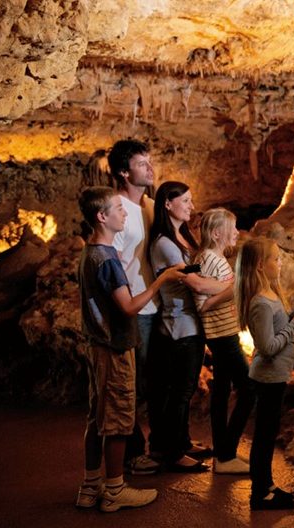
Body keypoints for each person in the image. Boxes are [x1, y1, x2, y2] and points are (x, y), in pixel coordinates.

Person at [75, 186, 184, 512]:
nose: (125, 214)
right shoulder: (107, 259)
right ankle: (114, 489)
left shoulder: (89, 252)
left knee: (97, 418)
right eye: (118, 210)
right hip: (115, 347)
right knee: (119, 420)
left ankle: (90, 485)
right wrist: (161, 281)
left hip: (97, 345)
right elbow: (128, 306)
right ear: (102, 216)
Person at [147, 181, 225, 472]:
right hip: (179, 326)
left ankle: (182, 440)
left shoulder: (183, 238)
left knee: (185, 389)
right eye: (187, 201)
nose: (192, 206)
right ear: (168, 203)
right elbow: (195, 281)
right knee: (179, 392)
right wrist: (231, 285)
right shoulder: (165, 244)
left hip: (191, 322)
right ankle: (172, 451)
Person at [235, 237, 294, 510]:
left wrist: (293, 315)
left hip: (276, 376)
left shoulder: (270, 296)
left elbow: (275, 326)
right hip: (268, 377)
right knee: (265, 437)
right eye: (276, 259)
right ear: (260, 265)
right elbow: (267, 347)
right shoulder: (260, 303)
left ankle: (267, 487)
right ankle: (260, 494)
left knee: (268, 434)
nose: (280, 263)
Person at [107, 139, 161, 476]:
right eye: (142, 163)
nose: (150, 168)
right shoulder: (115, 211)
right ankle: (130, 452)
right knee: (131, 384)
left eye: (150, 161)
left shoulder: (152, 207)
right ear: (125, 172)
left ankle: (162, 443)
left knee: (155, 380)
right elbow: (108, 261)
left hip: (155, 306)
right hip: (131, 309)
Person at [193, 208, 254, 475]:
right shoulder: (207, 259)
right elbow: (202, 305)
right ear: (217, 233)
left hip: (226, 332)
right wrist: (233, 291)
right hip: (221, 335)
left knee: (221, 392)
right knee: (249, 390)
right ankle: (226, 451)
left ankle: (224, 455)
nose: (237, 232)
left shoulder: (215, 258)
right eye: (233, 227)